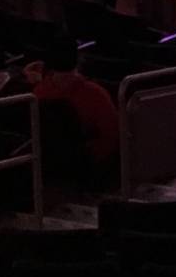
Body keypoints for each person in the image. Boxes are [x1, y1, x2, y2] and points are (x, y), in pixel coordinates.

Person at [30, 35, 123, 181]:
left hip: (52, 166)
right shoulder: (95, 94)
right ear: (78, 58)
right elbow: (113, 135)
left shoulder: (38, 92)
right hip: (87, 167)